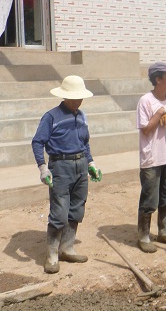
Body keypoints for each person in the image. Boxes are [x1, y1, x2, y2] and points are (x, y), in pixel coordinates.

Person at [32, 75, 102, 273]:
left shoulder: (82, 116)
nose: (78, 101)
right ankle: (52, 254)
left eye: (80, 98)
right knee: (59, 212)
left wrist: (91, 163)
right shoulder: (51, 117)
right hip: (60, 166)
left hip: (80, 165)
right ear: (64, 97)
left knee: (77, 208)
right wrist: (42, 167)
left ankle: (67, 247)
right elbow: (38, 141)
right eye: (74, 98)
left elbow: (85, 142)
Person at [136, 62, 166, 253]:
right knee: (150, 197)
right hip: (151, 157)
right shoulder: (146, 101)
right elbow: (146, 130)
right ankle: (144, 235)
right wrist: (159, 113)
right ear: (158, 79)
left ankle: (164, 231)